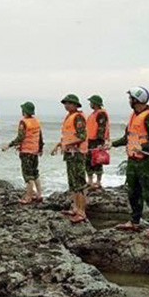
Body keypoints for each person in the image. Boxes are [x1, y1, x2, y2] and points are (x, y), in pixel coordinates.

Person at [110, 86, 149, 237]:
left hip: (147, 161)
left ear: (136, 100)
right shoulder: (134, 115)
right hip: (133, 160)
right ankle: (134, 221)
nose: (129, 100)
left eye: (130, 98)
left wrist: (143, 147)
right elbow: (128, 137)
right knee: (133, 192)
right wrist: (112, 144)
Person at [51, 94, 89, 224]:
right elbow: (68, 136)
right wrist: (59, 144)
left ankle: (81, 212)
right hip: (70, 154)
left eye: (69, 103)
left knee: (79, 184)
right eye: (65, 103)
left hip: (77, 154)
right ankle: (75, 208)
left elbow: (82, 136)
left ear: (75, 104)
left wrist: (66, 144)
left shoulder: (78, 117)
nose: (66, 105)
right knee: (73, 183)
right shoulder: (69, 117)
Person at [2, 102, 43, 204]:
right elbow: (40, 137)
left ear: (25, 111)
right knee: (35, 173)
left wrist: (8, 145)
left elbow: (20, 137)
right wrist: (40, 148)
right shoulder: (36, 121)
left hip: (26, 152)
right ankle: (39, 195)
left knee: (28, 175)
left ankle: (28, 197)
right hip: (34, 151)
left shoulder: (23, 122)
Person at [85, 95, 110, 189]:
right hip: (90, 140)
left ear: (95, 103)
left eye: (91, 102)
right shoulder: (93, 114)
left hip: (97, 141)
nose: (90, 104)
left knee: (98, 160)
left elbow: (101, 128)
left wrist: (100, 142)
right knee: (88, 160)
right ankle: (90, 180)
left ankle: (98, 181)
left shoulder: (101, 114)